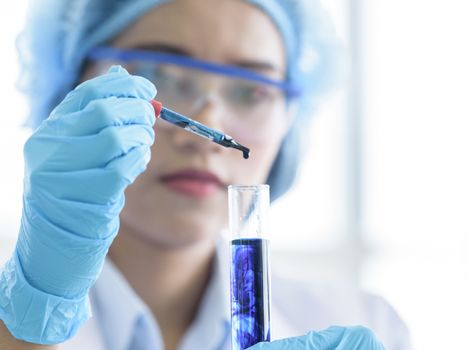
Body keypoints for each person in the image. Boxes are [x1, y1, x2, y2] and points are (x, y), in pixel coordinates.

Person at [0, 0, 412, 349]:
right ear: (73, 85)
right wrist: (32, 319)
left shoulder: (365, 322)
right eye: (160, 74)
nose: (206, 130)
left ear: (290, 121)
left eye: (251, 91)